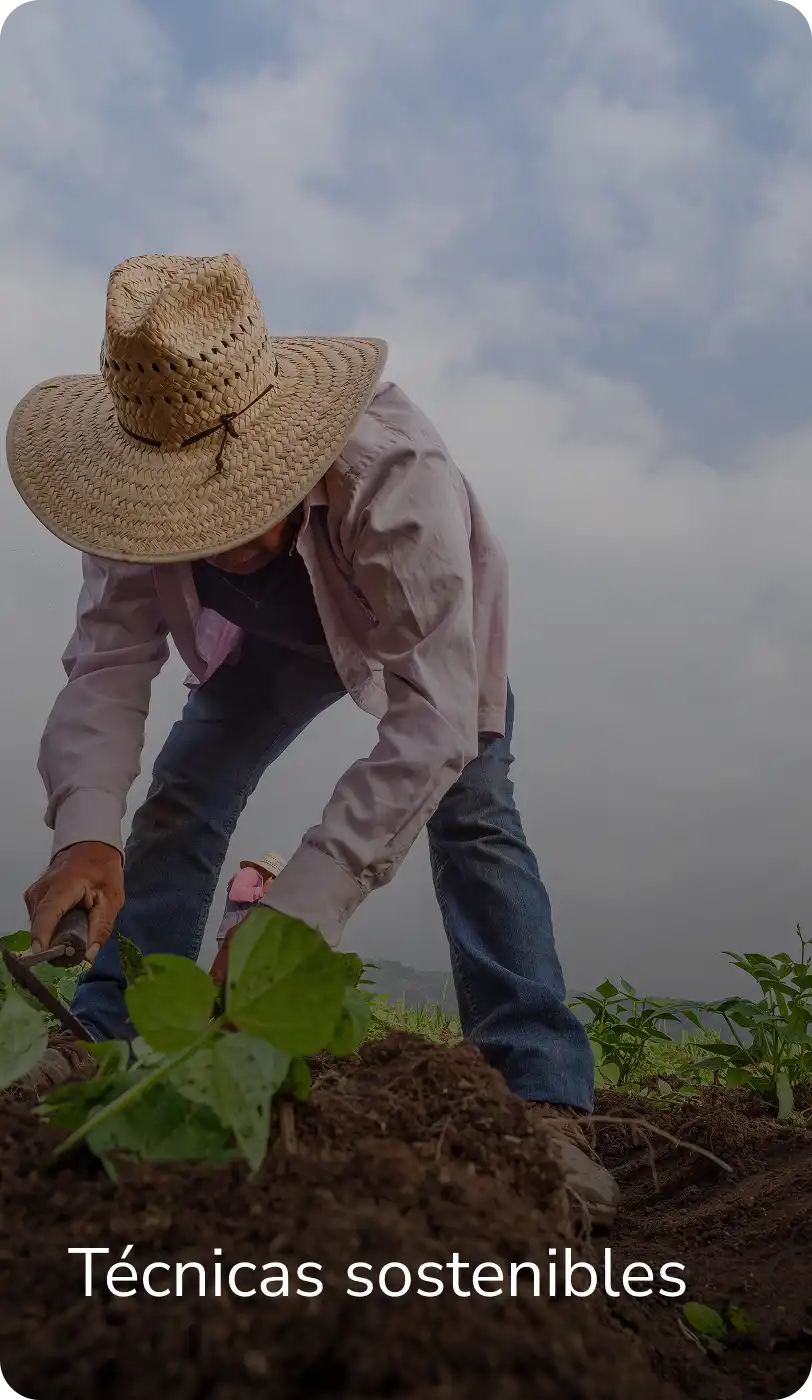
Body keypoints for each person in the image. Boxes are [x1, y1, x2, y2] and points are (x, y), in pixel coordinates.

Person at [6, 253, 618, 1226]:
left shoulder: (395, 478)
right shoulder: (127, 489)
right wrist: (84, 832)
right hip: (269, 642)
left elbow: (433, 718)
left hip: (423, 641)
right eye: (191, 519)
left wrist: (290, 917)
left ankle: (540, 1094)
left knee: (476, 822)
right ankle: (105, 1034)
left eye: (241, 503)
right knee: (185, 786)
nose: (222, 539)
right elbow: (109, 665)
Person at [209, 851, 286, 983]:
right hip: (233, 938)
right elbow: (236, 893)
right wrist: (262, 891)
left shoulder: (260, 884)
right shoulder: (250, 873)